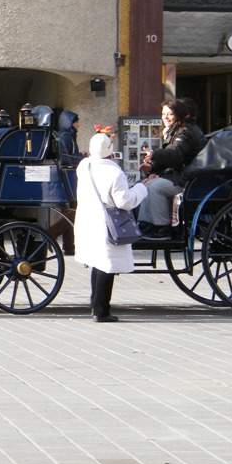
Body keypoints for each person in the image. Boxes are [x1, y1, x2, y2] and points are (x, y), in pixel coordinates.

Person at [75, 129, 148, 322]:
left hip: (88, 219)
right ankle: (101, 311)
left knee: (97, 264)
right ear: (110, 149)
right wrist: (141, 188)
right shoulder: (114, 172)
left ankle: (95, 306)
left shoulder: (84, 166)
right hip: (106, 223)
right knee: (106, 267)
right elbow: (124, 202)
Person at [138, 98, 206, 241]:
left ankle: (163, 227)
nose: (166, 118)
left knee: (155, 187)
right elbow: (172, 157)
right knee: (145, 184)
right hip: (180, 175)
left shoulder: (186, 132)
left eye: (170, 114)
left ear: (180, 115)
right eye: (163, 114)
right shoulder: (175, 130)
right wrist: (152, 167)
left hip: (189, 178)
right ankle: (145, 224)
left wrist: (154, 154)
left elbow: (175, 153)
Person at [48, 110, 85, 256]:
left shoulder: (66, 136)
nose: (78, 124)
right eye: (76, 122)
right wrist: (81, 159)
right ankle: (52, 233)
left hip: (67, 178)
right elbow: (66, 158)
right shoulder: (65, 137)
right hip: (68, 179)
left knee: (69, 210)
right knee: (73, 211)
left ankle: (69, 246)